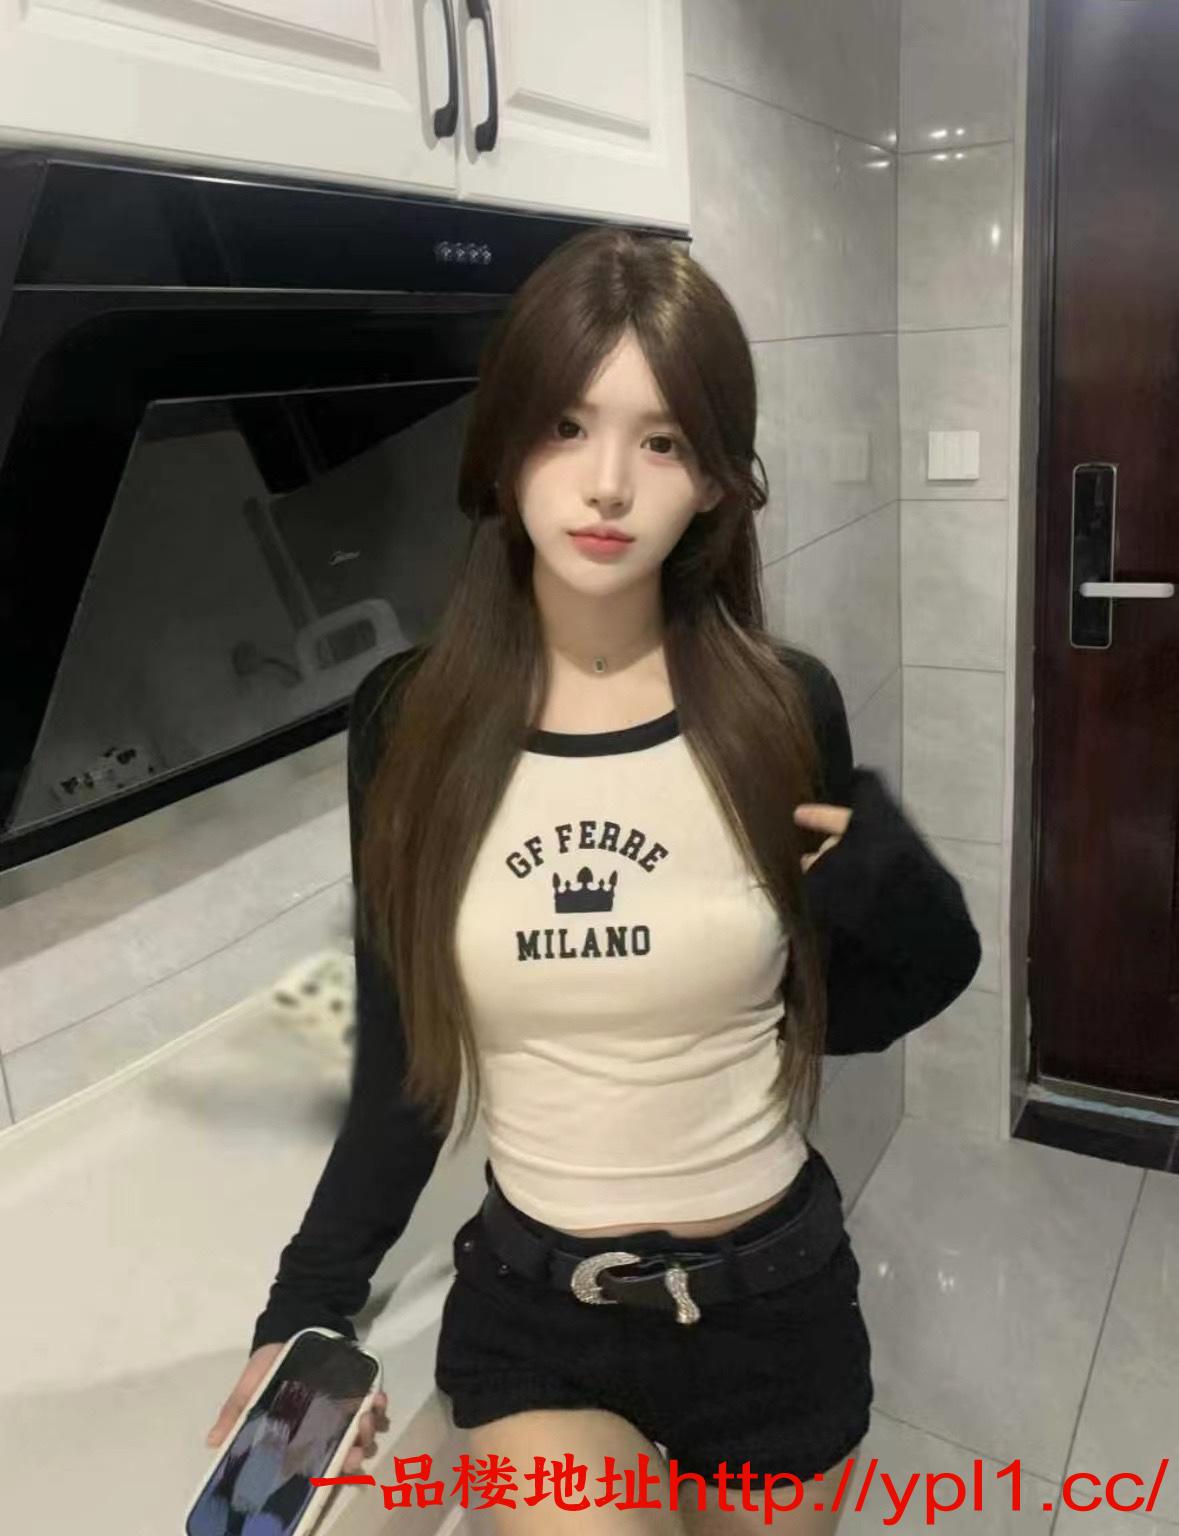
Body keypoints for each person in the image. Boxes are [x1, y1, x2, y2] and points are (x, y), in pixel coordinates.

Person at [207, 227, 981, 1532]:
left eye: (663, 441)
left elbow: (842, 1018)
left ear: (718, 481)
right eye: (567, 426)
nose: (609, 484)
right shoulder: (409, 722)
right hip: (536, 1317)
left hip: (773, 1306)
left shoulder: (783, 709)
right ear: (504, 447)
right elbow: (407, 1062)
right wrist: (301, 1315)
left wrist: (902, 905)